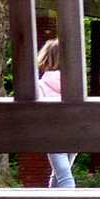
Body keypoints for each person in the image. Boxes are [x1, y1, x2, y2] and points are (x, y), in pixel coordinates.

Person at [34, 39, 76, 188]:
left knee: (64, 176)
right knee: (59, 174)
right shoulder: (74, 86)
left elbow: (39, 115)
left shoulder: (41, 86)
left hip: (54, 135)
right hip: (75, 133)